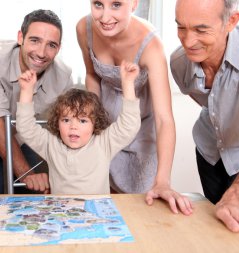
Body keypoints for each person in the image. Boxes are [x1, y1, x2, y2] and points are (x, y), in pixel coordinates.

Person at [76, 0, 192, 214]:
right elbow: (92, 75)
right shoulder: (84, 28)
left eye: (116, 5)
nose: (104, 16)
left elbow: (164, 119)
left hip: (142, 131)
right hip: (107, 127)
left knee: (142, 209)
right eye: (98, 4)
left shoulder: (151, 45)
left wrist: (163, 181)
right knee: (105, 208)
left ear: (134, 4)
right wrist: (92, 126)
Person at [170, 0, 239, 238]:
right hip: (209, 151)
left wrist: (237, 193)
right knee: (218, 222)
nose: (188, 42)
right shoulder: (179, 63)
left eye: (201, 30)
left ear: (231, 21)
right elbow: (209, 104)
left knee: (237, 218)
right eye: (181, 27)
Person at [0, 9, 74, 194]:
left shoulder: (64, 76)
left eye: (51, 45)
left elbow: (71, 127)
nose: (41, 53)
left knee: (33, 192)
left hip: (21, 137)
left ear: (58, 48)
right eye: (34, 40)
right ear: (21, 37)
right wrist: (26, 174)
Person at [16, 61, 140, 194]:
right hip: (61, 212)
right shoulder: (50, 144)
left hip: (96, 212)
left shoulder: (104, 143)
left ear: (95, 123)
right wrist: (26, 91)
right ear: (57, 122)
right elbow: (25, 127)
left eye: (82, 121)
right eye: (66, 120)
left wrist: (127, 84)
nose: (73, 126)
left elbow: (129, 124)